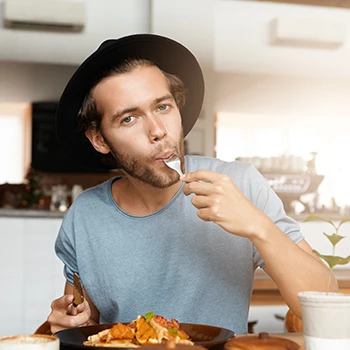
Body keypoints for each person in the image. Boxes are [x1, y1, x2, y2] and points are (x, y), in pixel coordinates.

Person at [48, 34, 337, 335]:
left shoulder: (241, 184)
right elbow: (89, 324)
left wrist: (257, 225)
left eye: (162, 107)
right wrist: (67, 323)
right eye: (129, 119)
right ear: (99, 139)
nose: (158, 131)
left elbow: (324, 306)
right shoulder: (85, 216)